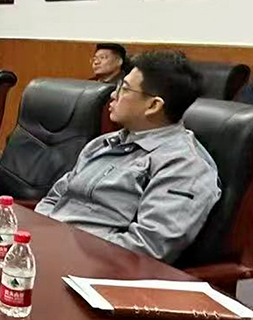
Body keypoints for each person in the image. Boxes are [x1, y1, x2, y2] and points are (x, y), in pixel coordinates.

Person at [36, 51, 220, 264]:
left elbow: (147, 247)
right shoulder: (103, 143)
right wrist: (41, 234)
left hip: (98, 267)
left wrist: (68, 246)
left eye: (124, 89)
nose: (113, 95)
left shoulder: (184, 165)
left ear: (153, 106)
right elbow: (54, 198)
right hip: (49, 249)